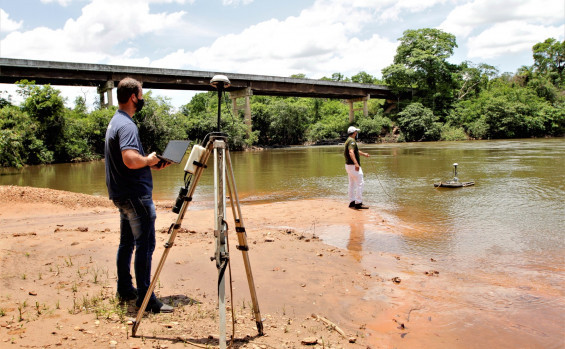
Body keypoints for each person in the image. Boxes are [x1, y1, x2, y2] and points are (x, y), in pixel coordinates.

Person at [104, 77, 173, 313]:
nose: (142, 98)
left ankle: (125, 288)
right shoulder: (128, 125)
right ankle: (147, 300)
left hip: (122, 195)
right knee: (145, 246)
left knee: (127, 243)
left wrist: (150, 165)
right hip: (136, 197)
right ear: (134, 97)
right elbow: (130, 159)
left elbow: (129, 162)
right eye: (141, 94)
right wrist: (148, 160)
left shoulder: (116, 122)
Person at [344, 126, 370, 210]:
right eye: (356, 132)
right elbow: (351, 152)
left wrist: (364, 154)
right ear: (354, 133)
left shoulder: (348, 140)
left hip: (348, 166)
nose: (357, 133)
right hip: (352, 165)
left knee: (352, 184)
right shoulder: (352, 141)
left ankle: (352, 201)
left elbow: (355, 151)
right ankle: (358, 203)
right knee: (360, 183)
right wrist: (356, 163)